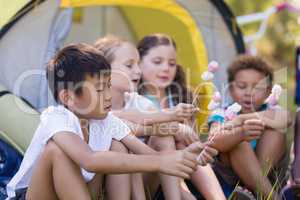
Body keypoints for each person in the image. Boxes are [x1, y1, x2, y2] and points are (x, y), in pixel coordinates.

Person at [6, 43, 216, 200]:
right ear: (68, 98)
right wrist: (162, 160)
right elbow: (89, 160)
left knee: (118, 146)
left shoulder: (106, 120)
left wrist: (186, 158)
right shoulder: (56, 118)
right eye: (98, 89)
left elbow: (150, 156)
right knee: (58, 151)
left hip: (81, 192)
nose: (107, 95)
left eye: (108, 85)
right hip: (34, 195)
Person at [136, 33, 226, 200]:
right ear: (139, 63)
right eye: (157, 62)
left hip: (184, 172)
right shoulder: (134, 98)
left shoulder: (181, 97)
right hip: (148, 173)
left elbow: (190, 141)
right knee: (168, 137)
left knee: (183, 143)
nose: (166, 68)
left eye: (171, 63)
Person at [208, 55, 292, 199]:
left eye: (257, 87)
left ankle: (252, 190)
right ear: (231, 89)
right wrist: (240, 133)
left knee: (275, 131)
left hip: (268, 174)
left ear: (268, 91)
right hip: (231, 177)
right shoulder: (223, 112)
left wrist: (240, 119)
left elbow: (287, 118)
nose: (248, 93)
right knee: (238, 142)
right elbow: (213, 139)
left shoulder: (271, 110)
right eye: (241, 86)